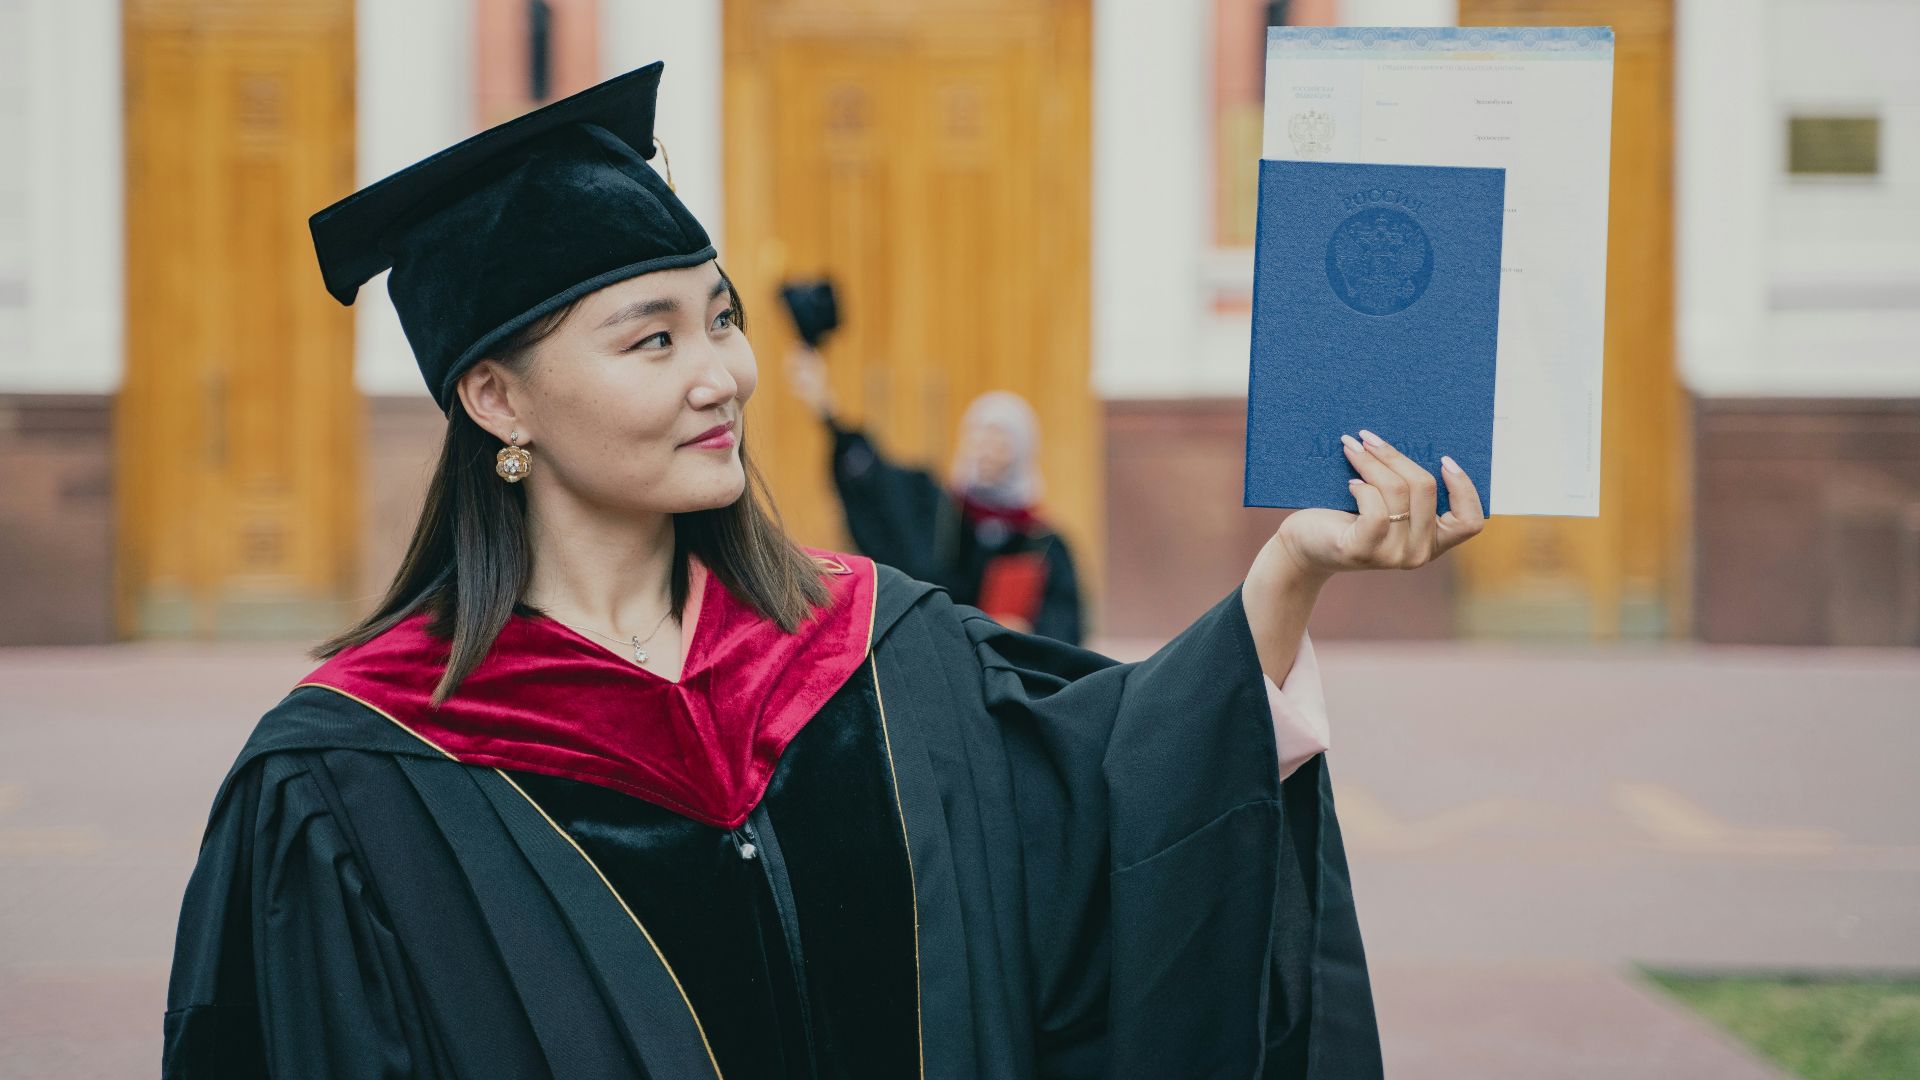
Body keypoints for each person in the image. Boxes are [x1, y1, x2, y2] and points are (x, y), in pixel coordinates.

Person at [163, 62, 1485, 1080]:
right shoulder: (353, 778)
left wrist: (1288, 575)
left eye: (722, 319)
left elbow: (1116, 805)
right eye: (652, 340)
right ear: (498, 398)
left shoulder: (874, 651)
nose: (722, 375)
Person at [788, 345, 1084, 643]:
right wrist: (825, 408)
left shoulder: (1042, 544)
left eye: (1001, 441)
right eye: (980, 436)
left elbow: (1065, 627)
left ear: (1022, 452)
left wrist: (1027, 634)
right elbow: (874, 480)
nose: (987, 450)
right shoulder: (937, 511)